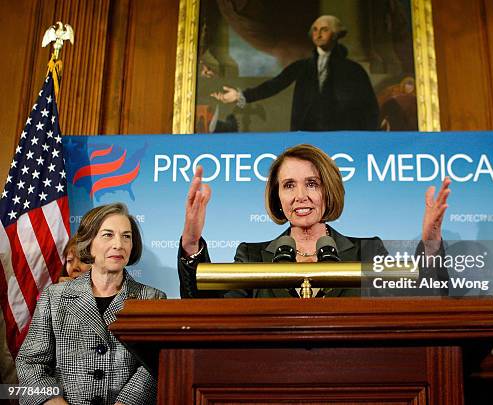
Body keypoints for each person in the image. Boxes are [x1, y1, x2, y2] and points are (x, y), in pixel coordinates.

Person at [178, 143, 450, 298]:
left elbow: (423, 300)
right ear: (278, 196)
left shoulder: (367, 250)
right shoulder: (251, 256)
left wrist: (430, 245)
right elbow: (210, 314)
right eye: (288, 185)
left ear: (328, 190)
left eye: (312, 183)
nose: (300, 196)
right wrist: (191, 244)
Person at [16, 203, 166, 405]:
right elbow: (30, 362)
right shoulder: (55, 297)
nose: (119, 244)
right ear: (88, 243)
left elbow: (155, 365)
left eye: (126, 236)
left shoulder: (152, 299)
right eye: (108, 235)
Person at [211, 15, 379, 131]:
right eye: (315, 29)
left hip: (344, 137)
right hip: (307, 135)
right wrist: (241, 96)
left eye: (324, 29)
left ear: (336, 34)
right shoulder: (303, 66)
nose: (318, 34)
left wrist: (369, 138)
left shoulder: (353, 70)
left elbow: (369, 106)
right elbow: (274, 85)